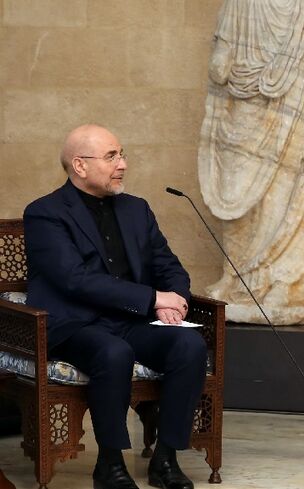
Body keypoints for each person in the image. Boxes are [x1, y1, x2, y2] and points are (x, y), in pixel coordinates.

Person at [24, 125, 207, 489]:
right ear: (80, 165)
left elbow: (168, 265)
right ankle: (109, 465)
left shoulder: (136, 209)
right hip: (74, 324)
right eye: (111, 157)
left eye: (122, 154)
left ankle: (166, 458)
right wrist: (153, 299)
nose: (122, 164)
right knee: (113, 352)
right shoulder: (44, 213)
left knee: (189, 345)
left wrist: (175, 302)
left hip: (131, 320)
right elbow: (74, 280)